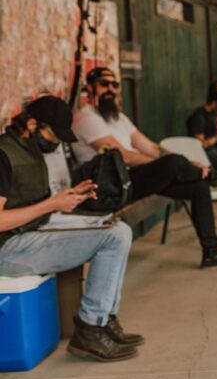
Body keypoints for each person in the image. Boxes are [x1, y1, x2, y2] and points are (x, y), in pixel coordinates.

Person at [0, 96, 142, 362]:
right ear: (31, 124)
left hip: (25, 237)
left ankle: (102, 320)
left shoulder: (29, 151)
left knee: (117, 229)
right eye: (54, 136)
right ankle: (90, 328)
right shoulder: (4, 154)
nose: (56, 144)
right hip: (6, 249)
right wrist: (52, 203)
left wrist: (67, 197)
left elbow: (29, 204)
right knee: (113, 237)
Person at [72, 67, 217, 269]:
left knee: (197, 186)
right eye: (104, 84)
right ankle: (209, 175)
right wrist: (167, 165)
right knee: (172, 163)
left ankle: (212, 253)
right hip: (108, 186)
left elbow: (152, 147)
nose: (110, 89)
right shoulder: (87, 119)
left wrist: (182, 164)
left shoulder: (118, 117)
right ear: (91, 88)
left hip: (130, 179)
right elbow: (122, 156)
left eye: (114, 84)